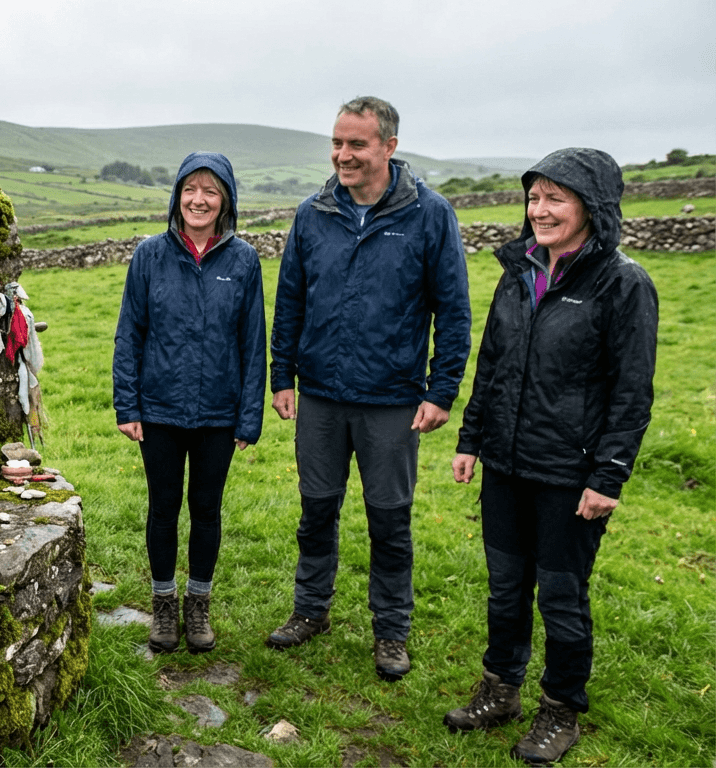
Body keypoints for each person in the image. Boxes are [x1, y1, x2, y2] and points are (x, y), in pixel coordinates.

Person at [445, 148, 657, 765]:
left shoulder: (622, 283)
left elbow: (632, 391)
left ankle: (561, 709)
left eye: (555, 198)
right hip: (507, 465)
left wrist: (609, 475)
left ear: (591, 206)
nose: (539, 210)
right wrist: (471, 438)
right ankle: (500, 690)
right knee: (505, 589)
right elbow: (492, 365)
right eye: (534, 198)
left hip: (572, 475)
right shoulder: (519, 271)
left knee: (561, 596)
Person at [266, 96, 471, 680]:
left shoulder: (429, 215)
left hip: (392, 398)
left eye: (357, 143)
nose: (343, 154)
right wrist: (284, 375)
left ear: (389, 147)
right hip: (323, 396)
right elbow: (291, 301)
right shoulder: (313, 213)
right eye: (337, 142)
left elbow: (452, 309)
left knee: (389, 521)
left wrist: (441, 390)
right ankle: (310, 611)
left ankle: (391, 631)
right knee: (316, 512)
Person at [113, 151, 267, 654]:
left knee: (206, 509)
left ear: (226, 202)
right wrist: (127, 406)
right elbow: (129, 335)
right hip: (158, 409)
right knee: (163, 508)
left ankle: (198, 606)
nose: (198, 200)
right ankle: (163, 605)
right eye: (190, 190)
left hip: (219, 414)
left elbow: (253, 343)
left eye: (211, 191)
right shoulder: (149, 255)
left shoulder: (243, 260)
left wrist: (248, 417)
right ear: (177, 196)